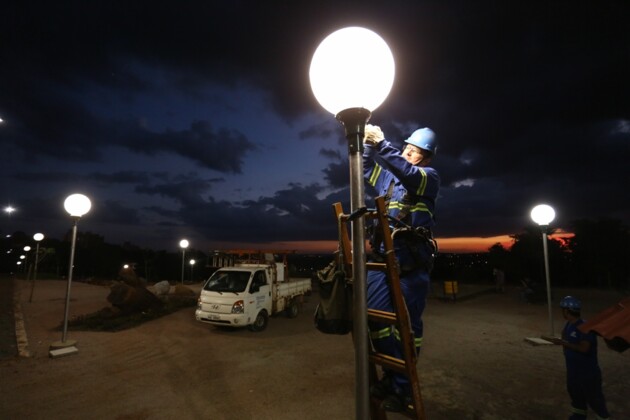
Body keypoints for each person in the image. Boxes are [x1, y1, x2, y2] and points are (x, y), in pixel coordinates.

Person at [362, 125, 440, 412]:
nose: (408, 151)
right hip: (383, 260)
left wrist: (383, 144)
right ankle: (392, 375)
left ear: (426, 158)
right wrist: (369, 144)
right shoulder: (389, 178)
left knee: (406, 327)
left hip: (412, 265)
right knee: (376, 320)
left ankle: (404, 387)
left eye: (415, 150)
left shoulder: (428, 178)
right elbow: (366, 168)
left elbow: (408, 173)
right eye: (407, 146)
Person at [546, 296, 611, 420]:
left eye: (563, 310)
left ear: (566, 311)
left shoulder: (586, 327)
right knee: (576, 399)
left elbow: (584, 348)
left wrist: (564, 343)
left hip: (588, 373)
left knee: (595, 400)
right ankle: (578, 417)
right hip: (573, 372)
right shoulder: (568, 325)